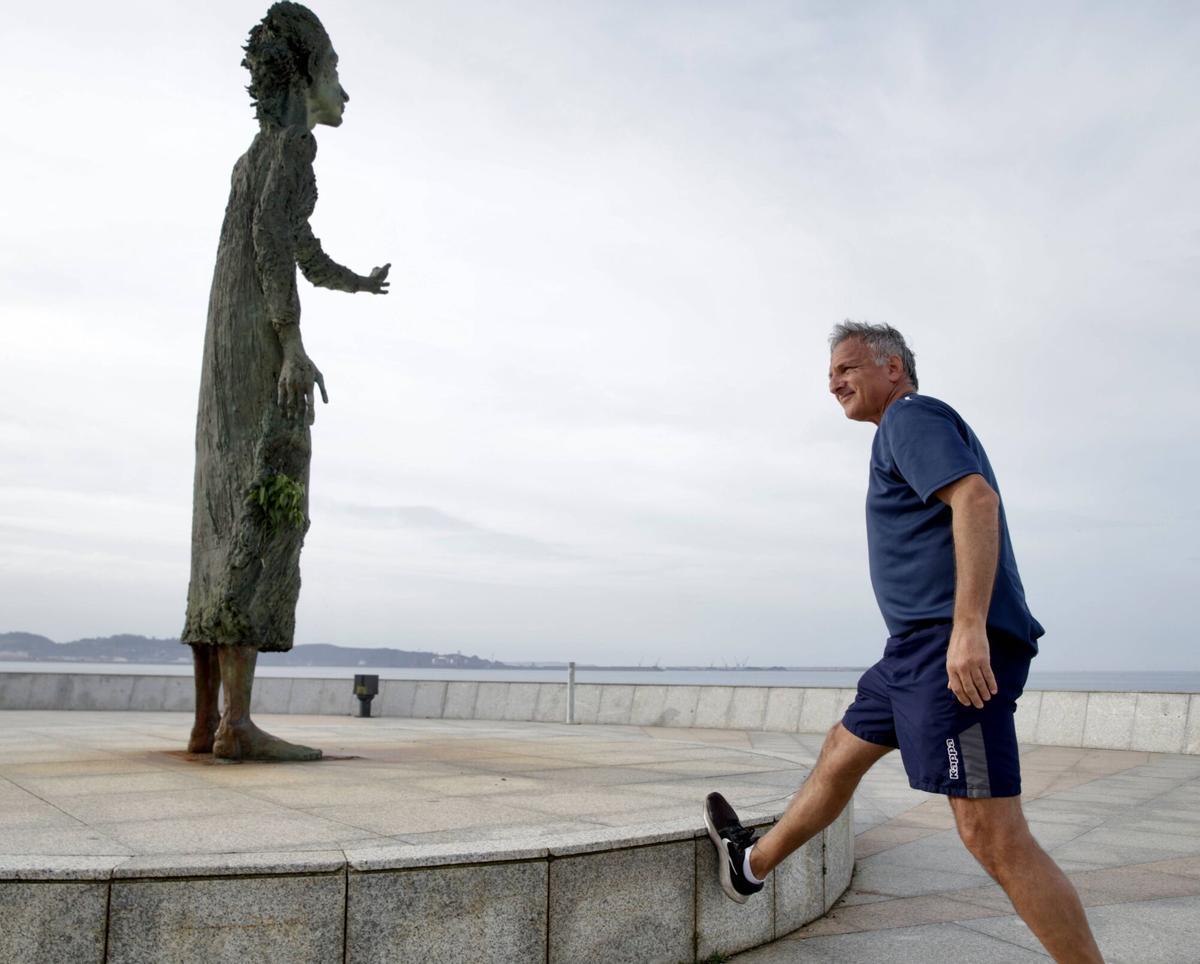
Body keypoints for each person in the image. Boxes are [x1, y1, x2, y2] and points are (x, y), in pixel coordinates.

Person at [704, 321, 1103, 963]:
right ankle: (750, 865)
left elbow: (976, 500)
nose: (834, 382)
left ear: (893, 369)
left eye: (848, 367)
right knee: (842, 749)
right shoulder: (898, 431)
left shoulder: (910, 417)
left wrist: (967, 628)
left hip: (949, 655)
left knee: (991, 834)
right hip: (911, 655)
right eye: (829, 374)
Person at [182, 2, 390, 761]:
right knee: (266, 499)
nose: (345, 94)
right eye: (336, 74)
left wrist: (356, 282)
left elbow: (297, 243)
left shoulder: (257, 152)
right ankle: (237, 725)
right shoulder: (293, 145)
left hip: (227, 339)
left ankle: (207, 719)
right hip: (260, 340)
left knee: (219, 507)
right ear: (304, 79)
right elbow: (274, 242)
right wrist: (293, 344)